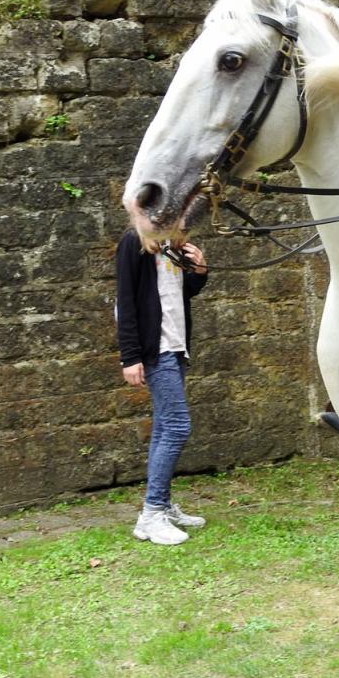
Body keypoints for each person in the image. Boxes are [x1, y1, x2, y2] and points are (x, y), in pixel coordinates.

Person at [115, 230, 210, 544]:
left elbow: (182, 294)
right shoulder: (135, 242)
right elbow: (125, 301)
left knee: (163, 427)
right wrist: (130, 357)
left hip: (177, 346)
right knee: (177, 426)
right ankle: (152, 512)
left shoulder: (174, 246)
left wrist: (199, 268)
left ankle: (161, 506)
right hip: (156, 350)